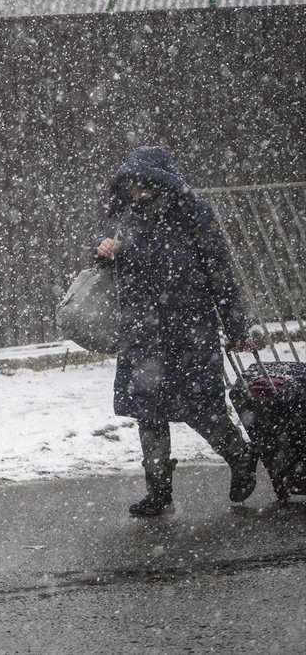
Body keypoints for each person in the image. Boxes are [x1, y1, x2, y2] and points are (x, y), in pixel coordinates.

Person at [93, 146, 257, 517]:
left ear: (162, 182)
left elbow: (220, 272)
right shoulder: (124, 216)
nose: (138, 193)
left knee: (200, 407)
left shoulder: (194, 214)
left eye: (146, 185)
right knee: (147, 411)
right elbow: (102, 248)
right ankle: (158, 490)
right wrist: (101, 248)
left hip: (189, 329)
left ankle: (241, 456)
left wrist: (235, 326)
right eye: (133, 186)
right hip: (141, 330)